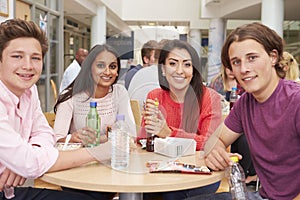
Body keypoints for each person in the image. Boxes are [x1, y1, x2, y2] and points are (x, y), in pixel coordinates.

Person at [0, 18, 112, 200]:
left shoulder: (30, 91)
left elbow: (45, 133)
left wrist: (23, 160)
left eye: (35, 58)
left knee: (96, 194)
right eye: (17, 56)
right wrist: (99, 152)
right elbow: (29, 162)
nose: (28, 65)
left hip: (10, 190)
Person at [190, 22, 300, 200]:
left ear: (273, 57)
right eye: (236, 62)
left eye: (252, 58)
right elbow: (215, 139)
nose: (244, 69)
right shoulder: (245, 104)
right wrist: (215, 151)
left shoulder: (295, 100)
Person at [140, 39, 223, 200]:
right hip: (159, 169)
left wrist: (169, 133)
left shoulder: (209, 98)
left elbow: (209, 143)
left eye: (186, 64)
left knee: (172, 193)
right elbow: (144, 141)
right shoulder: (155, 96)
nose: (180, 70)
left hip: (200, 172)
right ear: (163, 68)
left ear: (194, 70)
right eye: (173, 63)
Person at [54, 44, 136, 147]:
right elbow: (56, 140)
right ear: (89, 68)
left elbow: (131, 134)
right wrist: (72, 138)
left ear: (117, 71)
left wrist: (98, 139)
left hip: (112, 158)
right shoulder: (70, 97)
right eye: (100, 65)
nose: (107, 72)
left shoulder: (119, 92)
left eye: (112, 66)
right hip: (80, 159)